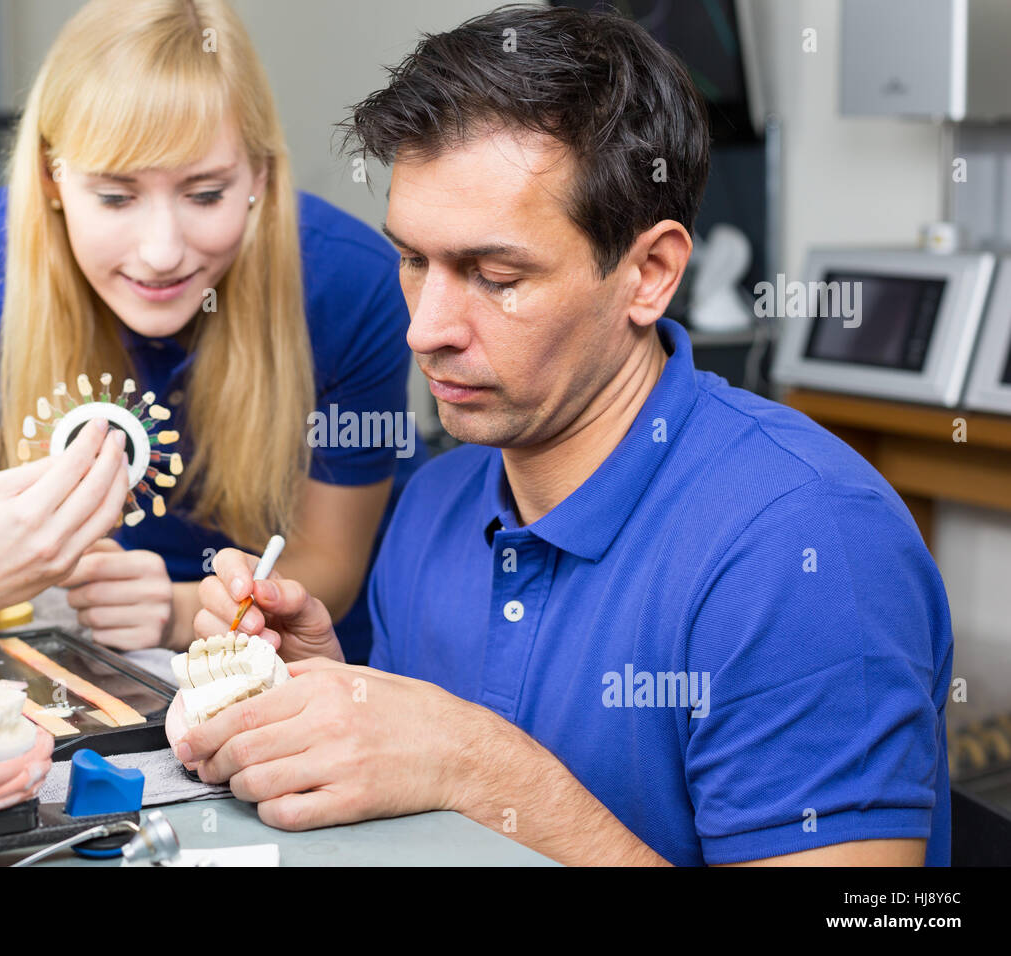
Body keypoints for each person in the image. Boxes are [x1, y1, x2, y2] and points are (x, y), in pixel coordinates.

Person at [178, 5, 954, 866]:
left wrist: (482, 771)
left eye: (495, 275)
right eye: (413, 260)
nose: (425, 328)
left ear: (649, 274)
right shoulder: (436, 499)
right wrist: (340, 700)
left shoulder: (805, 546)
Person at [0, 0, 425, 663]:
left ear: (259, 174)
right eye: (116, 197)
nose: (163, 251)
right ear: (53, 177)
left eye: (205, 194)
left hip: (286, 661)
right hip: (92, 648)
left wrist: (179, 606)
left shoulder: (352, 283)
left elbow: (331, 572)